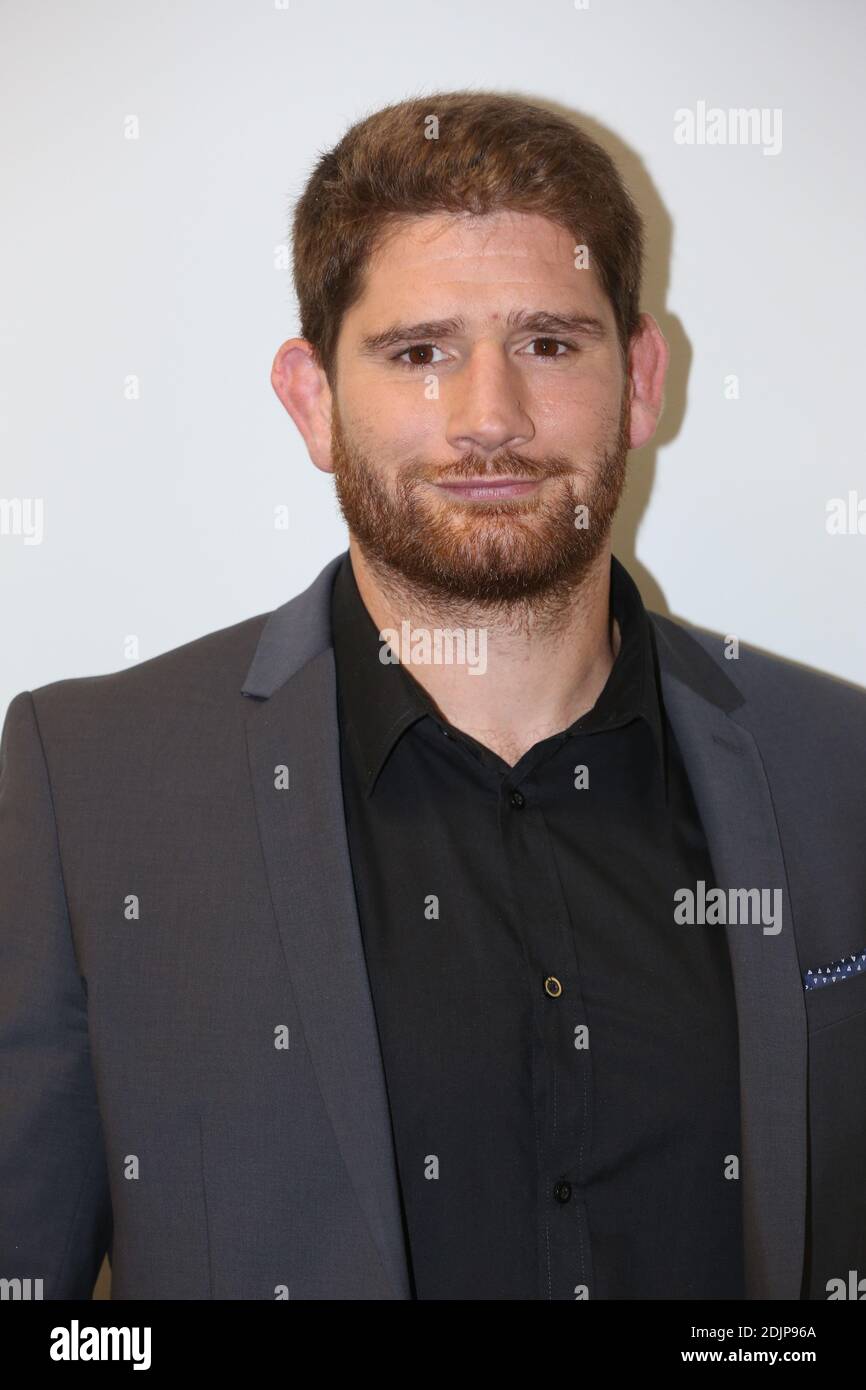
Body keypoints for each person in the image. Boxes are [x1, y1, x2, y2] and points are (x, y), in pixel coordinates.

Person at [1, 90, 864, 1302]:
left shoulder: (839, 770)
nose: (490, 418)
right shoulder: (90, 782)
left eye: (548, 344)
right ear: (311, 400)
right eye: (419, 353)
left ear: (639, 379)